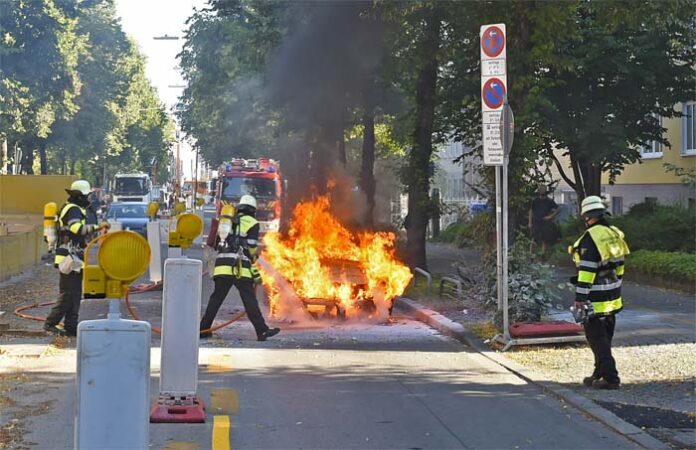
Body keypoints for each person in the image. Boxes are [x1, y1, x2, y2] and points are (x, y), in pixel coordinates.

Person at [200, 195, 280, 341]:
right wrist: (255, 268)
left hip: (222, 266)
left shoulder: (228, 221)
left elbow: (218, 243)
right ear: (253, 210)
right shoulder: (253, 223)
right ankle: (262, 331)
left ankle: (203, 329)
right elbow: (250, 249)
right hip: (239, 268)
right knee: (249, 300)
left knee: (215, 300)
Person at [570, 195, 629, 390]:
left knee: (597, 339)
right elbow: (619, 267)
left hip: (595, 299)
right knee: (604, 338)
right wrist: (615, 284)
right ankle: (599, 372)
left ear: (587, 216)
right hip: (612, 296)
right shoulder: (613, 233)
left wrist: (580, 297)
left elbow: (587, 271)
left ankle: (611, 378)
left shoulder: (590, 239)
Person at [45, 180, 106, 336]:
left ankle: (71, 326)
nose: (89, 198)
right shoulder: (73, 209)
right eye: (87, 195)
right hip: (68, 258)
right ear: (79, 196)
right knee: (68, 294)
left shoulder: (77, 208)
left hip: (75, 258)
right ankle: (50, 323)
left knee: (75, 294)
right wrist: (98, 227)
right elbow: (76, 228)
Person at [528, 185, 560, 258]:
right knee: (534, 239)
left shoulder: (549, 201)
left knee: (545, 240)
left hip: (545, 222)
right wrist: (530, 222)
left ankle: (543, 256)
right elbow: (530, 211)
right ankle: (531, 256)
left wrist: (550, 217)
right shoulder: (535, 201)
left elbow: (558, 209)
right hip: (536, 221)